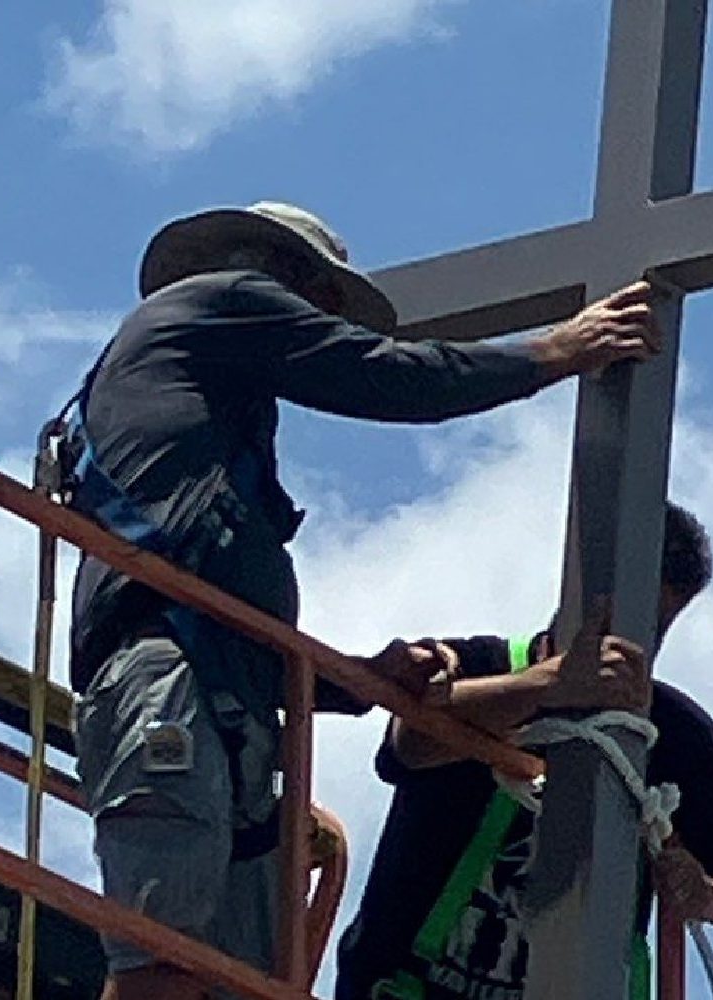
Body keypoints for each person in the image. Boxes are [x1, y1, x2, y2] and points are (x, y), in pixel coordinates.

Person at [64, 201, 664, 1000]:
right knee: (164, 958)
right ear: (289, 277)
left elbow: (232, 624)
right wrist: (557, 350)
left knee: (236, 979)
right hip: (171, 676)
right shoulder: (224, 299)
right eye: (326, 305)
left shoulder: (204, 416)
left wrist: (356, 678)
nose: (326, 323)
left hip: (219, 692)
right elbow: (387, 376)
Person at [336, 503, 713, 1000]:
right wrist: (548, 687)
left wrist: (711, 898)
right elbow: (411, 745)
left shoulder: (674, 736)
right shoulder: (475, 666)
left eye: (655, 629)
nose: (639, 643)